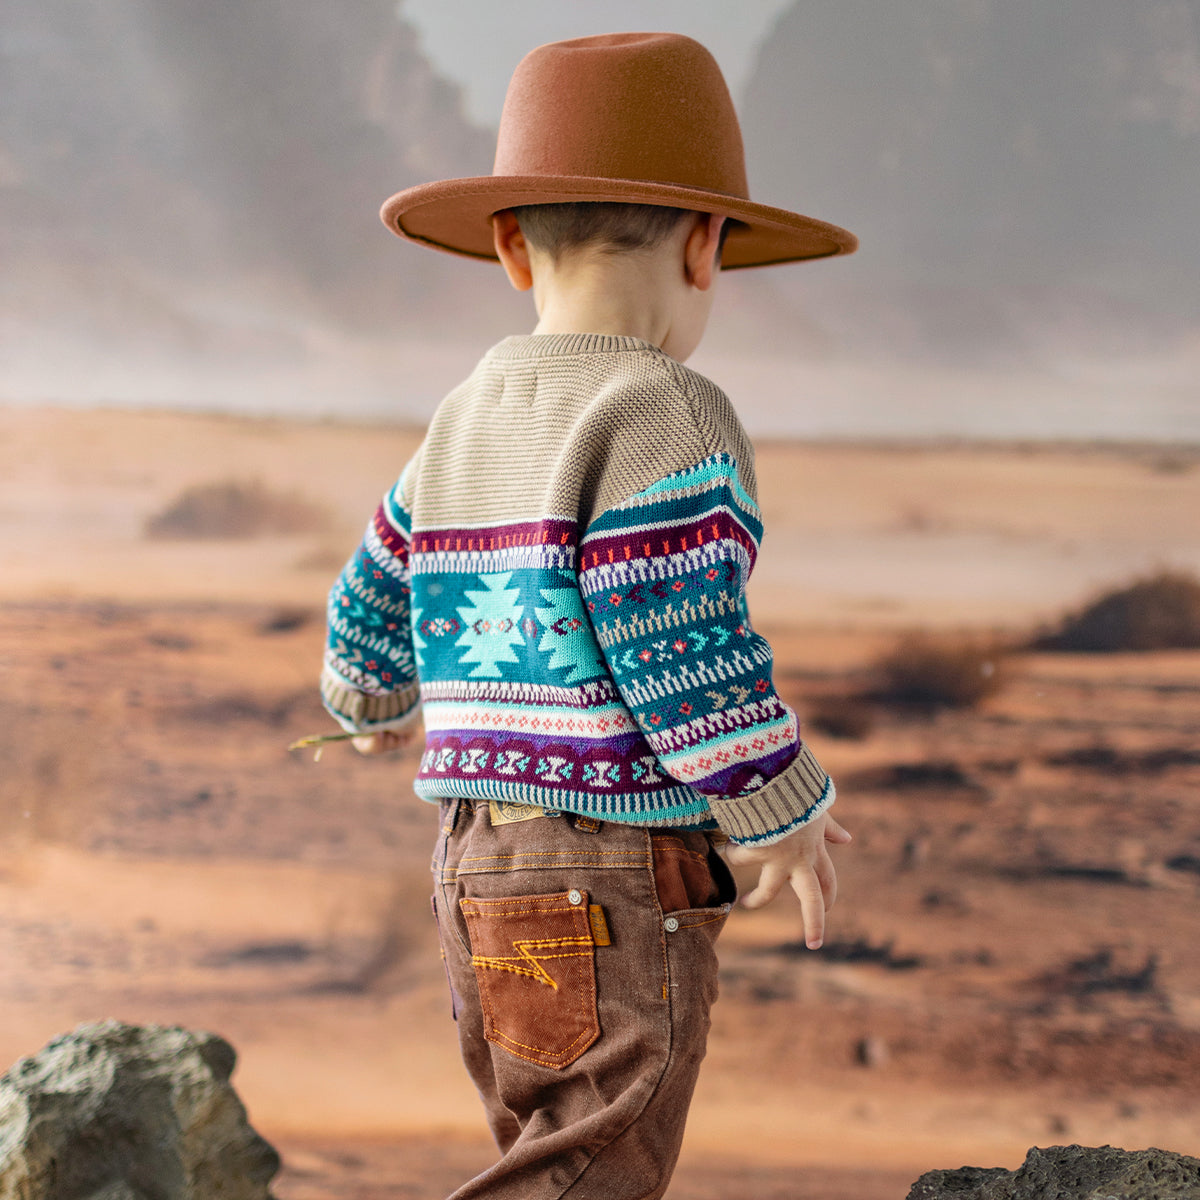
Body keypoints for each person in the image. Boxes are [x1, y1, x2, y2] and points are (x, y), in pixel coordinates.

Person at [320, 31, 855, 1200]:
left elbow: (376, 577)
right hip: (605, 877)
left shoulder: (464, 412)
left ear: (511, 248)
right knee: (589, 1172)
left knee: (547, 1145)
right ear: (709, 247)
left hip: (475, 867)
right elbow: (676, 642)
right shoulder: (667, 410)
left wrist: (367, 696)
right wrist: (780, 803)